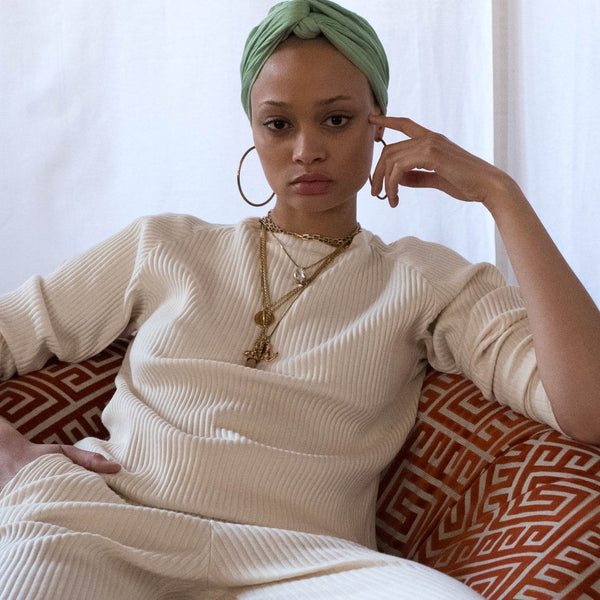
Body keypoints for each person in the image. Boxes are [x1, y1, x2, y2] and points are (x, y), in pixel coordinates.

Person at [1, 1, 599, 598]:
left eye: (336, 120)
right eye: (279, 124)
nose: (306, 149)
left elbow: (589, 408)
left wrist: (501, 194)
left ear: (379, 125)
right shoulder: (162, 246)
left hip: (305, 564)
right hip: (101, 523)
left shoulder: (425, 280)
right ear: (253, 130)